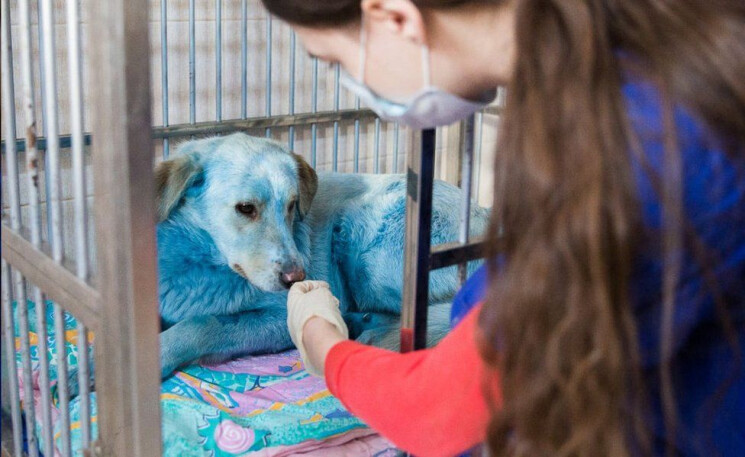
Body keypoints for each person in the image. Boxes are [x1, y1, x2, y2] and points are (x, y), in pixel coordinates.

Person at [262, 0, 745, 456]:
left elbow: (438, 407)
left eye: (335, 62)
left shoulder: (648, 143)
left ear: (394, 17)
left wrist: (320, 340)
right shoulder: (617, 77)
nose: (351, 83)